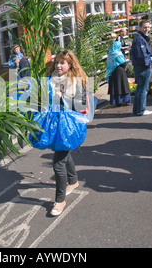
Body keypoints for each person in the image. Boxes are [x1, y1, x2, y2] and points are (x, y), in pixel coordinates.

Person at [46, 50, 88, 216]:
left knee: (58, 163)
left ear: (70, 64)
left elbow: (82, 104)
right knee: (64, 154)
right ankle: (74, 180)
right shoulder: (52, 79)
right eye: (57, 62)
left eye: (62, 62)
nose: (58, 65)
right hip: (56, 125)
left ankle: (60, 200)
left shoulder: (76, 81)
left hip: (69, 127)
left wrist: (63, 96)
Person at [130, 19, 152, 116]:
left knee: (140, 89)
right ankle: (141, 110)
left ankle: (137, 110)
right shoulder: (139, 39)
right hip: (143, 68)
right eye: (145, 27)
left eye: (148, 27)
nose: (147, 29)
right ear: (140, 28)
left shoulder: (141, 38)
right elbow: (142, 56)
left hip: (142, 67)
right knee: (143, 89)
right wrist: (150, 61)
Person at [106, 40, 131, 106]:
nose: (121, 47)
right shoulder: (118, 54)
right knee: (123, 86)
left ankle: (116, 101)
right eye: (120, 46)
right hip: (120, 72)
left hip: (112, 72)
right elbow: (123, 62)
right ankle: (125, 100)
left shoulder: (110, 53)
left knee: (115, 87)